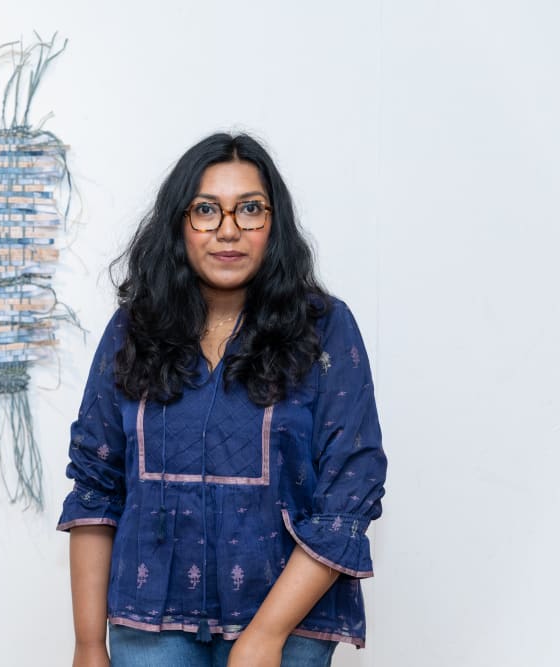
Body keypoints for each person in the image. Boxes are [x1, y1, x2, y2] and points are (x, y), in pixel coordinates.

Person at [57, 132, 387, 667]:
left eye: (250, 210)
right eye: (206, 210)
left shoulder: (324, 330)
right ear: (179, 224)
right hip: (150, 621)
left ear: (273, 224)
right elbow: (97, 488)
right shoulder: (133, 330)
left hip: (288, 621)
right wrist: (89, 644)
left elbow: (349, 492)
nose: (228, 230)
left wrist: (266, 633)